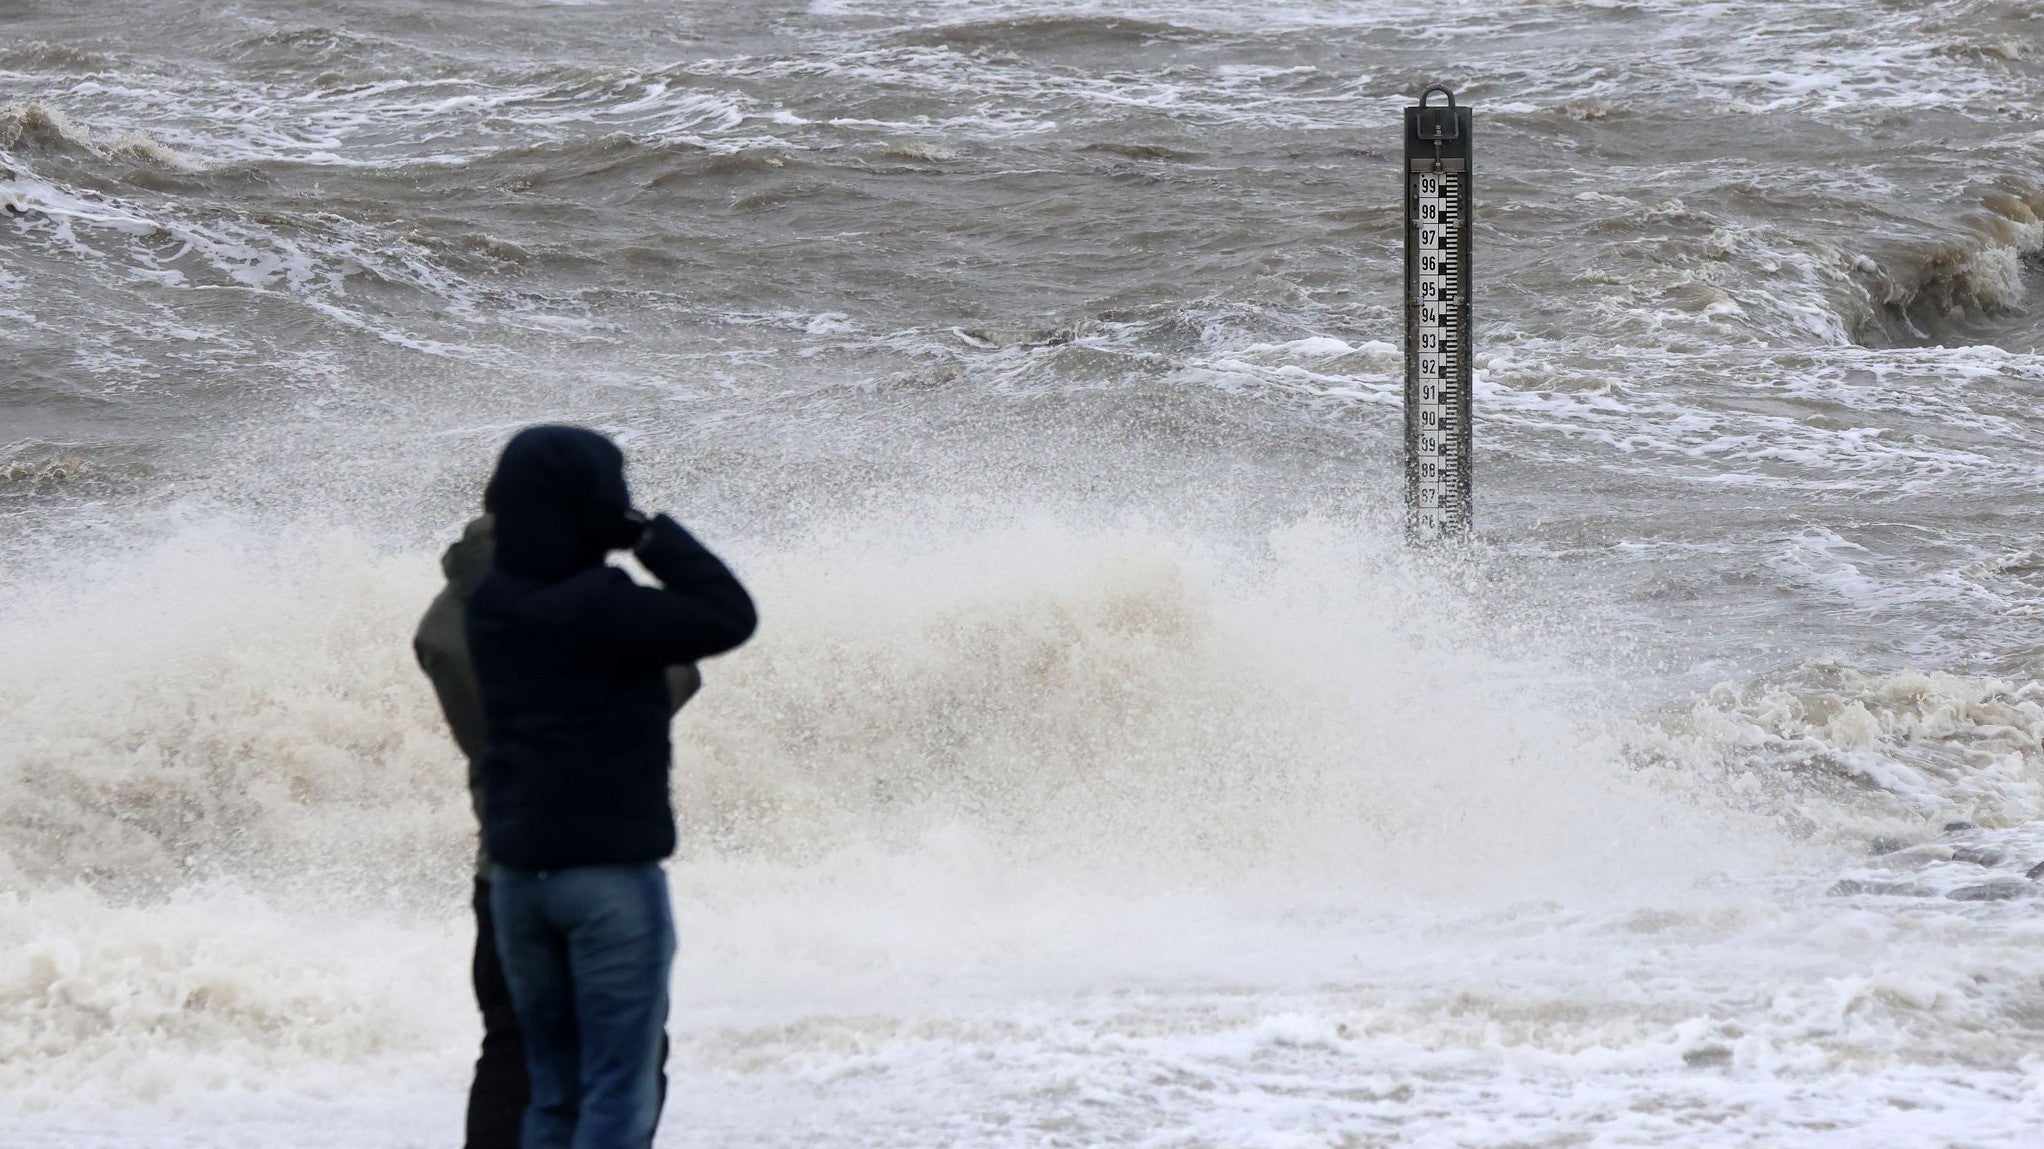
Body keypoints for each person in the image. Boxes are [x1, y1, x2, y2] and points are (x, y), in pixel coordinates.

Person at [466, 425, 757, 1149]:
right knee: (618, 1098)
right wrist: (647, 534)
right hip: (605, 879)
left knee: (552, 1092)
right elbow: (728, 612)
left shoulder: (488, 607)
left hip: (515, 878)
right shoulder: (605, 606)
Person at [414, 510, 701, 1149]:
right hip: (604, 868)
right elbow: (681, 664)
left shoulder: (447, 618)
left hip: (509, 871)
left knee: (514, 1054)